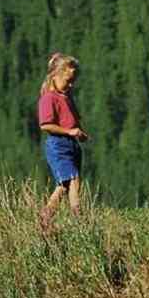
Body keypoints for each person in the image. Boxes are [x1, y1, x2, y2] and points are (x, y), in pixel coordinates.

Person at [37, 53, 88, 229]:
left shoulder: (66, 96)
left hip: (72, 144)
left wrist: (78, 132)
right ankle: (78, 219)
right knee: (73, 179)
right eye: (68, 80)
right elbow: (45, 125)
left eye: (73, 80)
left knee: (64, 184)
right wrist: (69, 131)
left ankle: (46, 214)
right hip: (58, 144)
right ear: (55, 76)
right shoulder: (49, 98)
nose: (71, 84)